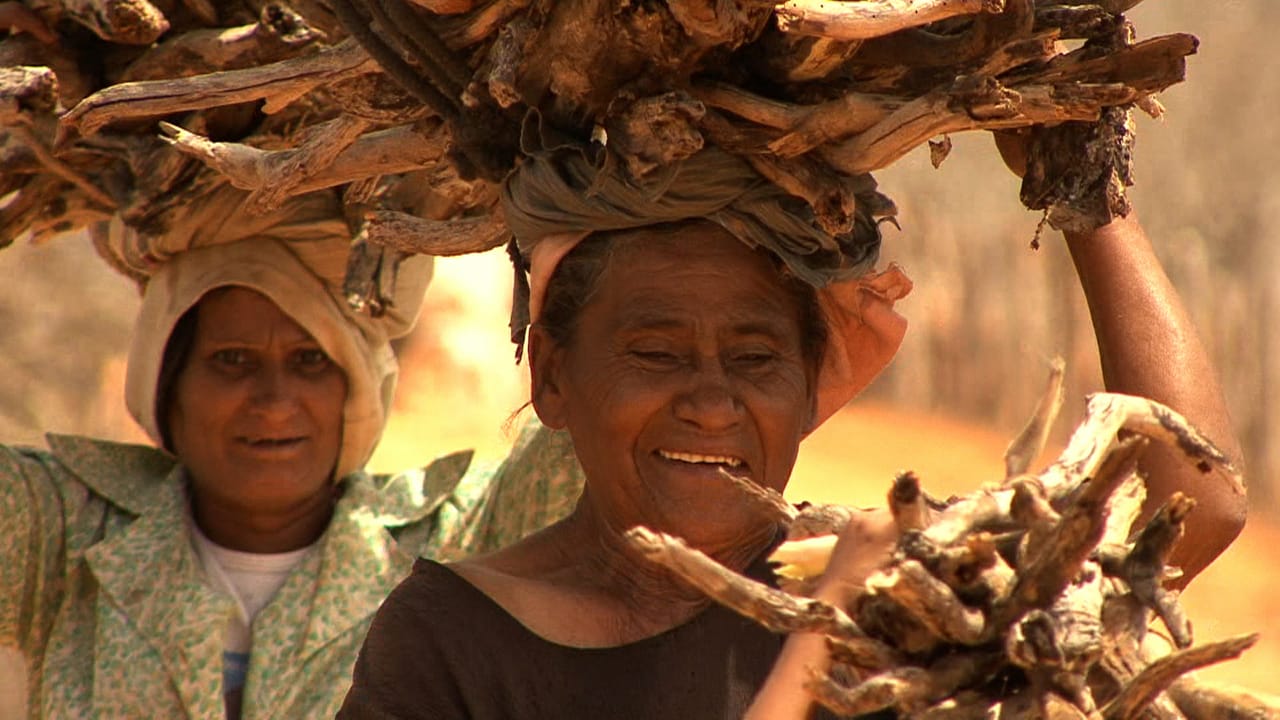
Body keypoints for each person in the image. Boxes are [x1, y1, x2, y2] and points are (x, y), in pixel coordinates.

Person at [0, 185, 585, 719]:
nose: (275, 403)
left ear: (355, 389)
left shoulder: (454, 545)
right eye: (233, 361)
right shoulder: (67, 530)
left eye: (310, 361)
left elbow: (596, 425)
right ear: (167, 383)